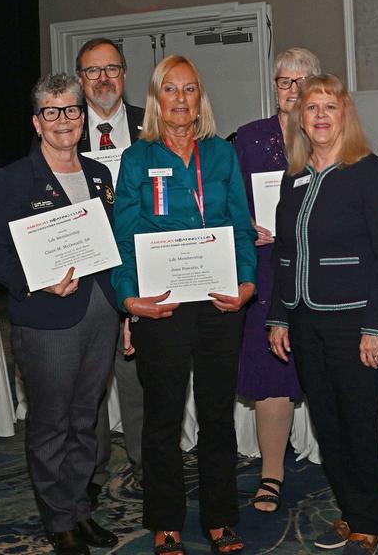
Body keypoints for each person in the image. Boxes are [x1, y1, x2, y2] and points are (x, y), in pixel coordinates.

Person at [111, 55, 258, 555]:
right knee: (163, 419)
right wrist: (129, 298)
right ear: (157, 99)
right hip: (162, 306)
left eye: (189, 89)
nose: (180, 98)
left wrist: (247, 283)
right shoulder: (137, 159)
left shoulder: (220, 154)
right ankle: (165, 519)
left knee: (217, 416)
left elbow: (241, 225)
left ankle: (221, 517)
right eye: (170, 89)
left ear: (200, 98)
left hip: (219, 304)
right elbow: (124, 236)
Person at [0, 74, 121, 554]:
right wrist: (35, 280)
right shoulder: (15, 177)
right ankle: (58, 519)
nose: (64, 120)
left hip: (100, 310)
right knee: (52, 422)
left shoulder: (99, 175)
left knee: (86, 418)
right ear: (37, 122)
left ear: (83, 117)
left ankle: (78, 509)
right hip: (46, 318)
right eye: (52, 112)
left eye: (72, 110)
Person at [267, 74, 378, 554]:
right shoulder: (294, 176)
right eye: (312, 107)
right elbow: (286, 252)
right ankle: (350, 510)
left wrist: (376, 328)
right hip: (305, 321)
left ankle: (367, 521)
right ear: (301, 119)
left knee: (358, 424)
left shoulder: (369, 171)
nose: (321, 115)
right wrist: (279, 315)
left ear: (345, 113)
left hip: (356, 322)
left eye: (330, 106)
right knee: (326, 423)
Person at [229, 47, 321, 514]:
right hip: (266, 270)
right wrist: (245, 225)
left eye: (302, 81)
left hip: (320, 269)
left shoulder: (331, 134)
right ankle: (271, 473)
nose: (293, 90)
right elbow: (225, 201)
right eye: (285, 81)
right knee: (272, 374)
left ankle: (343, 466)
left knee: (326, 370)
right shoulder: (248, 138)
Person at [75, 37, 148, 503]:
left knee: (139, 377)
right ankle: (92, 469)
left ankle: (146, 465)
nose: (103, 79)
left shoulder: (152, 125)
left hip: (142, 268)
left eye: (112, 69)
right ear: (80, 79)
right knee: (89, 382)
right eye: (93, 71)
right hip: (86, 274)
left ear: (124, 73)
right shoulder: (64, 127)